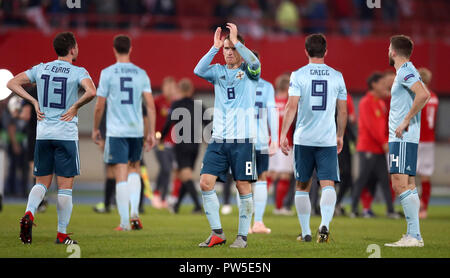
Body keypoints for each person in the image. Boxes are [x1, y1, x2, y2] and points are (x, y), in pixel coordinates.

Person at [8, 31, 97, 244]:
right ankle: (61, 234)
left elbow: (12, 83)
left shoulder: (40, 68)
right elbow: (91, 92)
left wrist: (33, 101)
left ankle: (29, 213)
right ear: (72, 49)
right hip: (65, 133)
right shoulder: (78, 71)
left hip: (43, 134)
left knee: (41, 183)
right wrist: (75, 105)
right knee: (65, 187)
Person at [194, 23, 261, 248]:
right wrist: (214, 48)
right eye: (226, 49)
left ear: (239, 50)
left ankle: (242, 236)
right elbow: (198, 70)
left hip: (242, 140)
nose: (229, 52)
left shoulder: (250, 73)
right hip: (219, 139)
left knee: (243, 186)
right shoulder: (217, 72)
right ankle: (217, 233)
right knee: (205, 182)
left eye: (232, 48)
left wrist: (238, 42)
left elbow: (255, 63)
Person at [280, 33, 347, 243]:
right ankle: (325, 224)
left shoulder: (298, 75)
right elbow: (343, 111)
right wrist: (340, 135)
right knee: (328, 184)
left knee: (302, 185)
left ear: (306, 51)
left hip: (303, 138)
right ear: (326, 51)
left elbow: (291, 106)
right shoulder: (337, 76)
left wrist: (283, 133)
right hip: (327, 139)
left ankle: (306, 231)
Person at [92, 34, 156, 231]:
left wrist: (95, 128)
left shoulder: (107, 73)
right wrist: (151, 132)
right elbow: (150, 106)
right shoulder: (141, 73)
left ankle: (123, 223)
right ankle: (134, 212)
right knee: (134, 169)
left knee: (120, 173)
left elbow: (99, 106)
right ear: (130, 49)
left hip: (116, 131)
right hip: (136, 130)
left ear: (114, 49)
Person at [384, 35, 430, 247]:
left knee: (399, 183)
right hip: (405, 137)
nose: (387, 51)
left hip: (402, 136)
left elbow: (423, 95)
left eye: (388, 48)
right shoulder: (408, 70)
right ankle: (414, 235)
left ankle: (414, 236)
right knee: (408, 183)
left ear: (393, 52)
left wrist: (405, 120)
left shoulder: (405, 71)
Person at [350, 72, 398, 219]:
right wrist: (384, 142)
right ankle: (353, 209)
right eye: (383, 83)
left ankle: (390, 210)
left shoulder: (381, 102)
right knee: (363, 178)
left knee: (384, 179)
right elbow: (372, 127)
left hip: (377, 148)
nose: (385, 86)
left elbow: (382, 126)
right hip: (367, 148)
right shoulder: (366, 102)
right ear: (374, 84)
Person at [160, 78, 207, 214]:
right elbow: (209, 122)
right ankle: (177, 206)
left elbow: (169, 122)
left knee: (185, 176)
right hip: (195, 145)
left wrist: (161, 138)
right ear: (191, 90)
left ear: (180, 90)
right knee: (185, 175)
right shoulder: (198, 104)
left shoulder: (176, 104)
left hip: (181, 144)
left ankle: (198, 206)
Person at [246, 51, 278, 234]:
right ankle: (257, 222)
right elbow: (272, 113)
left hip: (243, 139)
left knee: (243, 180)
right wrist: (274, 137)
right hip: (261, 139)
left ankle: (247, 224)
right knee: (261, 178)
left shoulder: (238, 82)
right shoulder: (266, 86)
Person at [268, 73, 294, 216]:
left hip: (271, 142)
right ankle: (279, 208)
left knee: (269, 174)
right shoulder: (289, 103)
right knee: (284, 176)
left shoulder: (271, 101)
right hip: (285, 143)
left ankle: (255, 205)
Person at [417, 67, 439, 219]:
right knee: (425, 176)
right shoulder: (434, 97)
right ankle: (423, 208)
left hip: (417, 139)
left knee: (408, 175)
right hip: (429, 141)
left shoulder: (418, 95)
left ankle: (412, 207)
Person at [153, 76, 178, 209]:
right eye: (167, 87)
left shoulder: (176, 103)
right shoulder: (157, 102)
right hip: (160, 141)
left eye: (172, 87)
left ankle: (165, 197)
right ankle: (157, 194)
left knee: (170, 169)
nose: (170, 90)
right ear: (163, 88)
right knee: (166, 167)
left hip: (173, 142)